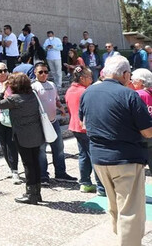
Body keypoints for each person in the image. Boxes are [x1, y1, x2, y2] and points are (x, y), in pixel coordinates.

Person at [80, 56, 152, 246]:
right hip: (126, 159)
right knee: (131, 210)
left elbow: (84, 123)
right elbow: (148, 131)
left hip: (99, 158)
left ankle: (118, 236)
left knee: (114, 205)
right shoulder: (129, 95)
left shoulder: (88, 93)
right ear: (126, 74)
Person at [0, 72, 45, 204]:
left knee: (28, 164)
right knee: (35, 163)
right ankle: (37, 193)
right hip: (36, 133)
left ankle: (31, 194)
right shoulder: (33, 95)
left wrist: (2, 91)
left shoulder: (14, 99)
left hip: (22, 136)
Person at [31, 62, 77, 184]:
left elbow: (56, 99)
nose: (44, 74)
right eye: (40, 72)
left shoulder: (51, 84)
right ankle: (43, 176)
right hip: (40, 123)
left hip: (53, 121)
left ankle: (60, 173)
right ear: (35, 72)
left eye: (46, 72)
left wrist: (60, 107)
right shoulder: (33, 86)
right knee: (41, 150)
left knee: (59, 148)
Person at [64, 66, 105, 195]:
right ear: (82, 78)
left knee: (83, 155)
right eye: (89, 77)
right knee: (95, 156)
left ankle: (85, 183)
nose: (92, 79)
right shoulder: (87, 91)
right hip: (87, 127)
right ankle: (101, 187)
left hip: (75, 126)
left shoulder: (70, 90)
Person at [131, 68, 152, 175]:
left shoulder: (137, 94)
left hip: (141, 135)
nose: (132, 82)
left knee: (139, 167)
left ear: (141, 81)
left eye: (134, 80)